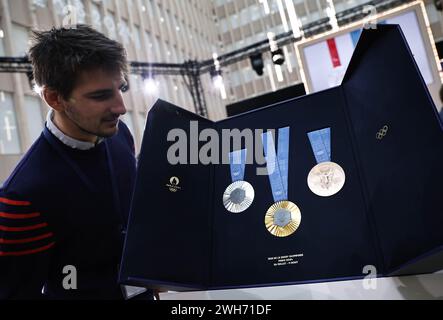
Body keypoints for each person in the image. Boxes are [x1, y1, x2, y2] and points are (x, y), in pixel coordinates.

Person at [0, 25, 152, 300]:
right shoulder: (22, 196)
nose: (121, 107)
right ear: (54, 98)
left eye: (121, 89)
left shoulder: (121, 136)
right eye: (100, 96)